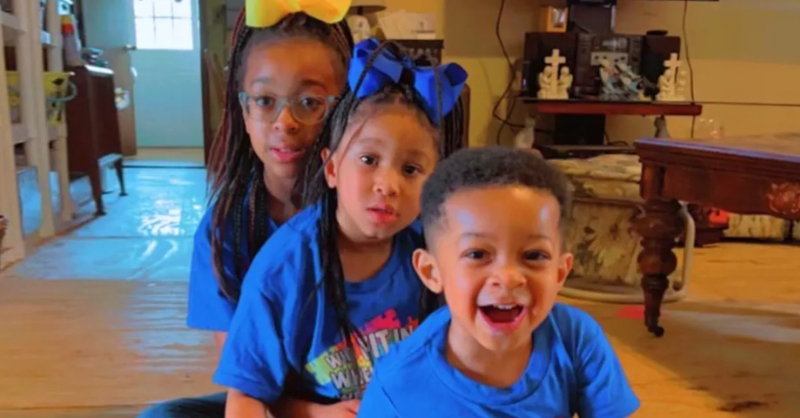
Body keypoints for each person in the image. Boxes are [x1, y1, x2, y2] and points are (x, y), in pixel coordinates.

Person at [212, 38, 469, 418]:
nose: (388, 185)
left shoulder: (438, 258)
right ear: (331, 168)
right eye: (368, 160)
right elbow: (245, 398)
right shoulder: (282, 272)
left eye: (411, 169)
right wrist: (314, 414)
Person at [137, 2, 354, 417]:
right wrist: (314, 414)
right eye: (265, 100)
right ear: (243, 109)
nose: (285, 122)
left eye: (310, 102)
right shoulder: (225, 230)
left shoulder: (373, 216)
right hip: (276, 404)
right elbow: (243, 378)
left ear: (345, 107)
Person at [357, 147, 640, 417]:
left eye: (534, 255)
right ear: (432, 272)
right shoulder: (398, 385)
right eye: (477, 254)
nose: (508, 277)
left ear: (559, 273)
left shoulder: (576, 338)